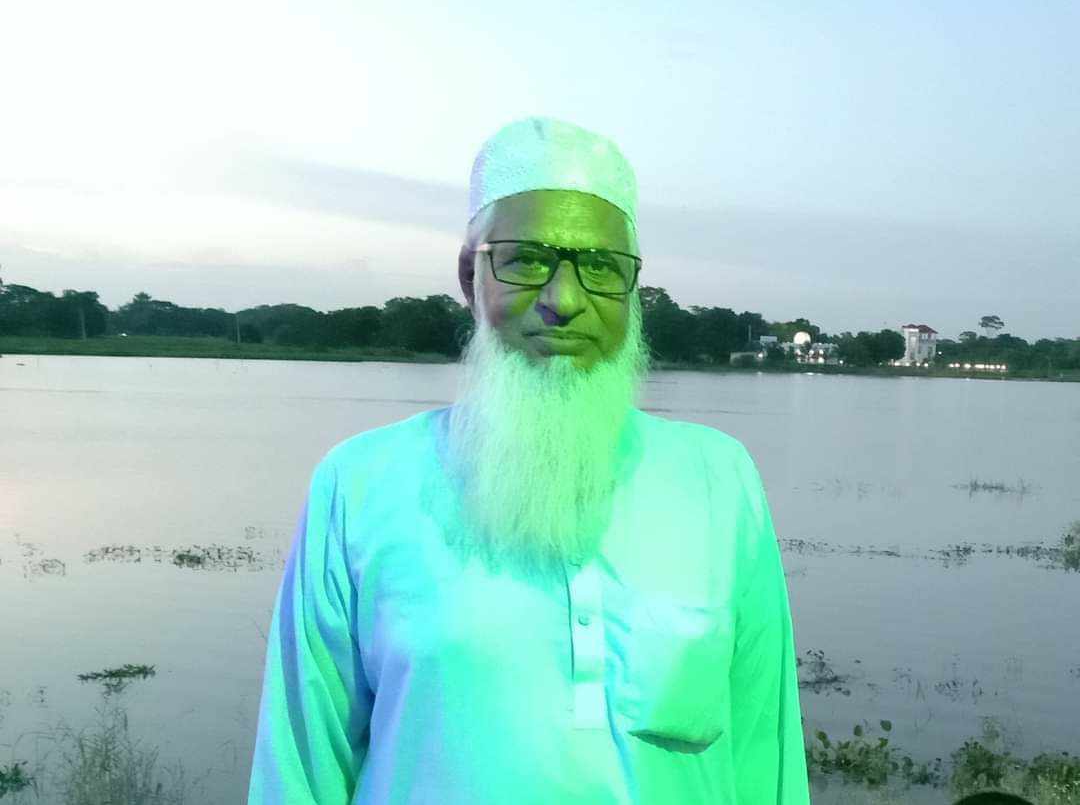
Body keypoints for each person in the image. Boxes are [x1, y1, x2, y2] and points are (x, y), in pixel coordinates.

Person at [247, 116, 811, 803]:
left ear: (632, 292)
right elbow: (300, 769)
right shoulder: (360, 483)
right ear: (470, 277)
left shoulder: (718, 478)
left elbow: (764, 753)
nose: (563, 300)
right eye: (525, 260)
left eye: (601, 266)